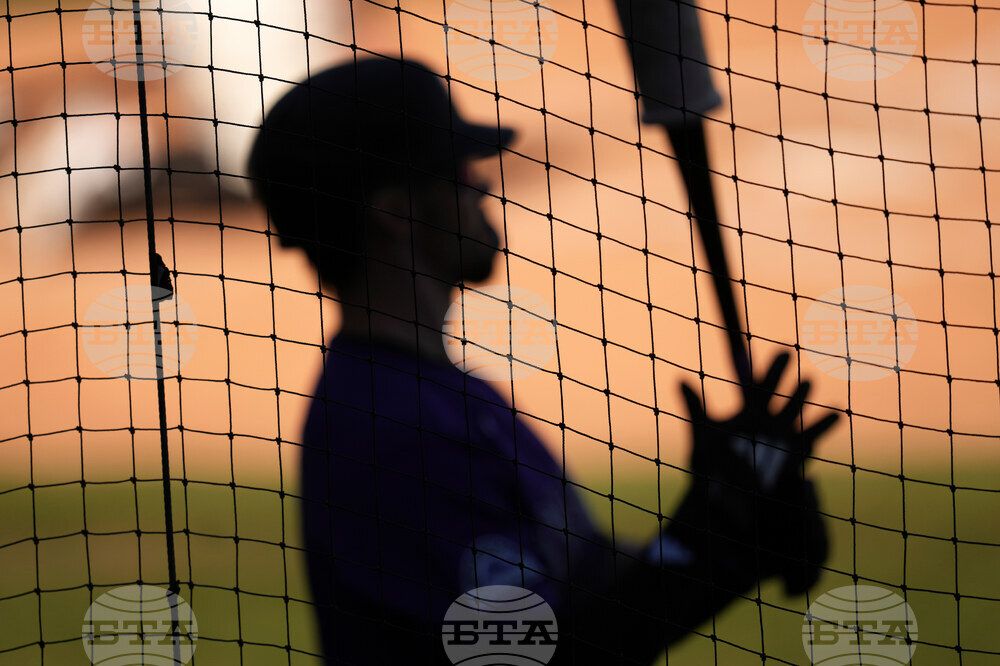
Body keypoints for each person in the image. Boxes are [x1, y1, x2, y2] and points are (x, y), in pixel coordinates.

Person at [248, 55, 838, 665]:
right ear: (395, 210)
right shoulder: (392, 431)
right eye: (455, 167)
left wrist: (727, 532)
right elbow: (541, 655)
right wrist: (709, 543)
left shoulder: (448, 396)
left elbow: (582, 582)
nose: (481, 181)